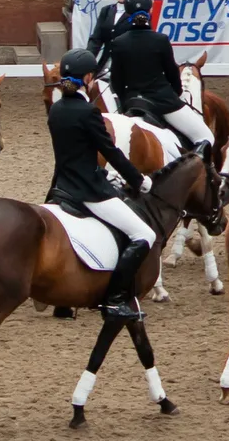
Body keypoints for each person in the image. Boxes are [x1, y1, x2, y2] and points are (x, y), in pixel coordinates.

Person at [48, 48, 154, 321]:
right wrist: (138, 180)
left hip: (62, 185)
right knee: (145, 235)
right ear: (88, 78)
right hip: (88, 191)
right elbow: (110, 152)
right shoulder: (88, 112)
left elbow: (74, 153)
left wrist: (101, 173)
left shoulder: (56, 110)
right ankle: (116, 299)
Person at [108, 0, 215, 153]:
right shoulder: (160, 40)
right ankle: (198, 174)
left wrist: (126, 103)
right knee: (206, 137)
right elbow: (172, 73)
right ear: (151, 10)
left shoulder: (118, 43)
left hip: (133, 102)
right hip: (164, 102)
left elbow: (116, 81)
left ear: (127, 12)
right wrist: (177, 93)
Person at [86, 0, 143, 78]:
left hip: (128, 73)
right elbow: (96, 41)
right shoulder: (106, 11)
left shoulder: (141, 15)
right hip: (103, 70)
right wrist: (86, 64)